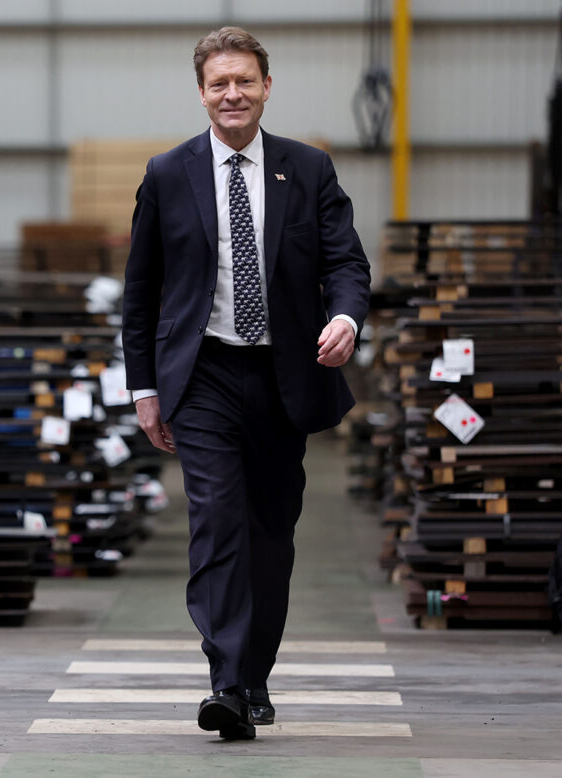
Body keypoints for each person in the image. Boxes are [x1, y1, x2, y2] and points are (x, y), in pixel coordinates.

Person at [122, 26, 370, 740]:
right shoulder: (168, 174)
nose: (232, 94)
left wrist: (346, 317)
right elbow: (141, 292)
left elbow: (346, 262)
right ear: (202, 94)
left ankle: (255, 672)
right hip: (200, 374)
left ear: (266, 87)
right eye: (219, 83)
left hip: (283, 375)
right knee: (217, 520)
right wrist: (144, 388)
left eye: (244, 81)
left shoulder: (308, 169)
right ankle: (226, 684)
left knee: (270, 530)